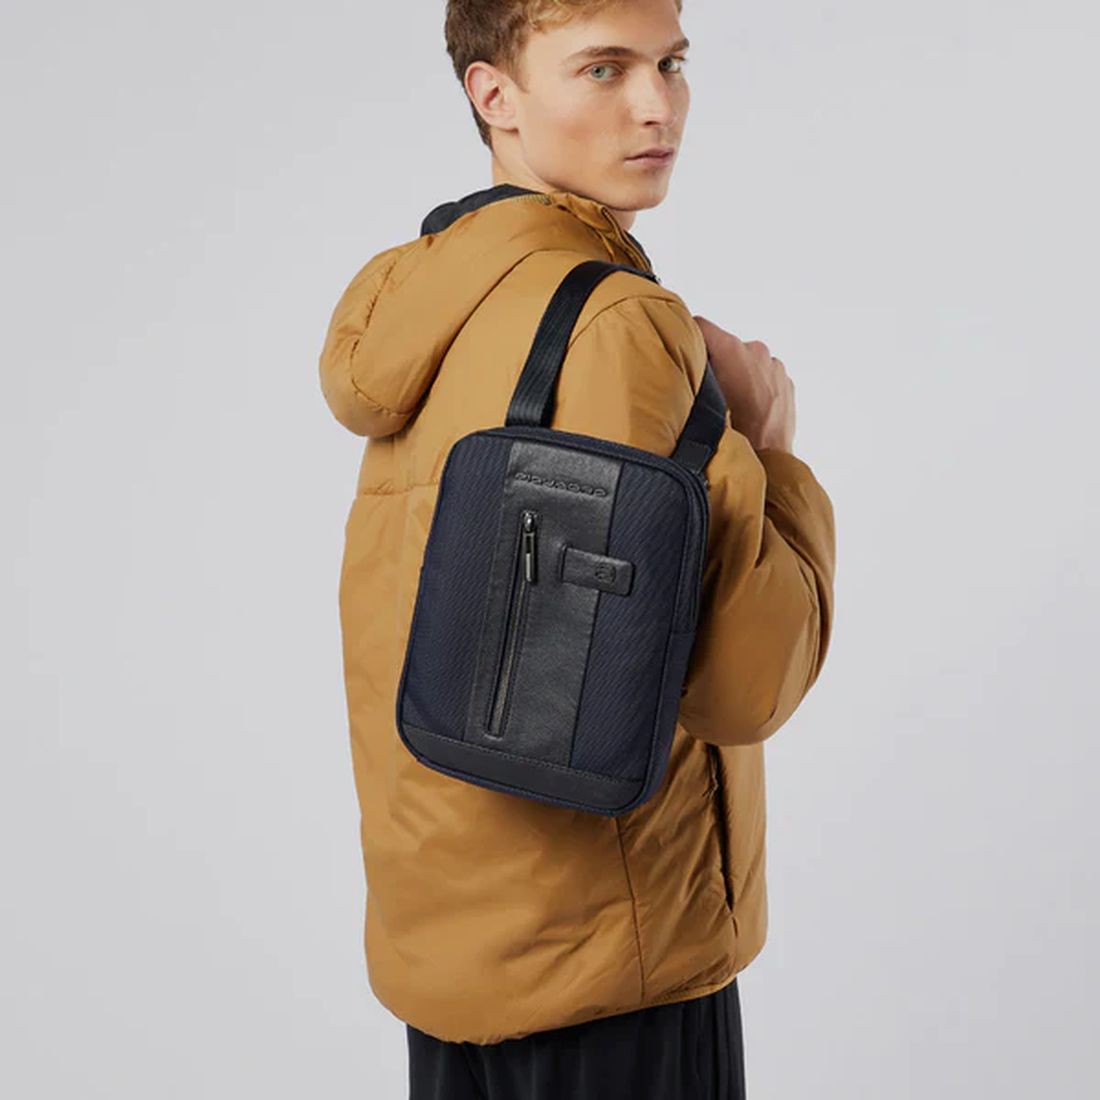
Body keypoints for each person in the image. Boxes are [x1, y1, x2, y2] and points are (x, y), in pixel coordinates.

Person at [316, 0, 836, 1095]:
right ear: (493, 95)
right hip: (610, 958)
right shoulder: (618, 322)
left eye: (670, 64)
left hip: (452, 938)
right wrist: (771, 450)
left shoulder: (425, 300)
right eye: (603, 69)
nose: (657, 106)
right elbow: (744, 686)